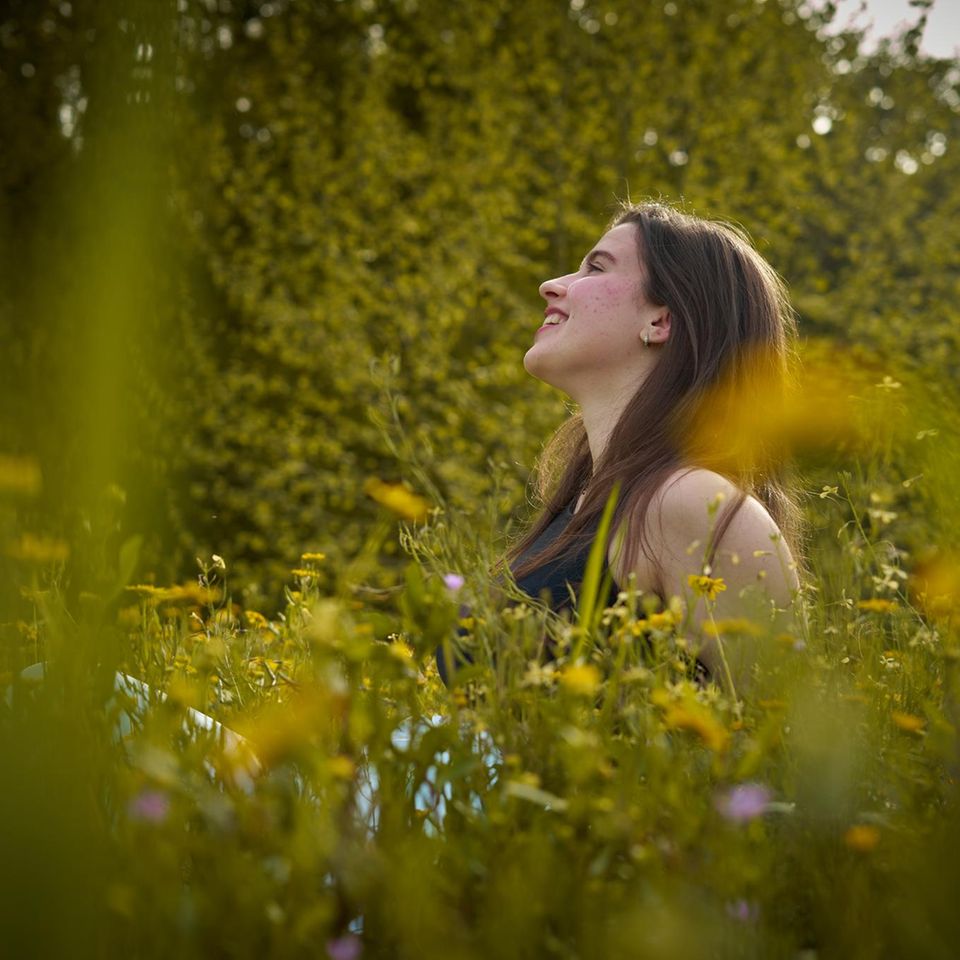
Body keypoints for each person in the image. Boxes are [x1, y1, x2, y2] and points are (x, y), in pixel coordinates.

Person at [441, 200, 806, 696]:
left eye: (596, 266)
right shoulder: (587, 502)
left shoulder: (693, 502)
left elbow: (777, 739)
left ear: (660, 322)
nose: (552, 285)